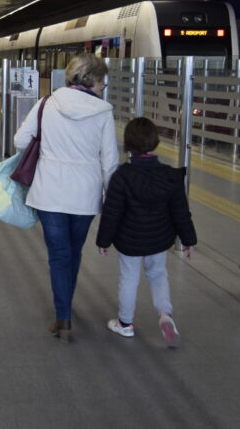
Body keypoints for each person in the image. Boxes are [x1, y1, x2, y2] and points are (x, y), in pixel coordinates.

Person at [13, 53, 119, 342]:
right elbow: (110, 162)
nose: (102, 87)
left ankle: (63, 317)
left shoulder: (48, 103)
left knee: (59, 256)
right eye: (102, 82)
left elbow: (20, 141)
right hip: (85, 195)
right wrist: (113, 202)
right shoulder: (102, 112)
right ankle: (65, 306)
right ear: (92, 79)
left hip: (50, 192)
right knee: (73, 252)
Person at [95, 117, 197, 348]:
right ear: (155, 142)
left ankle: (125, 323)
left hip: (130, 240)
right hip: (159, 239)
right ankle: (164, 314)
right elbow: (181, 212)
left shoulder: (122, 177)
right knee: (158, 274)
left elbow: (112, 213)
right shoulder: (170, 176)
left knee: (129, 278)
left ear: (128, 145)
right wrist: (188, 240)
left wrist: (104, 241)